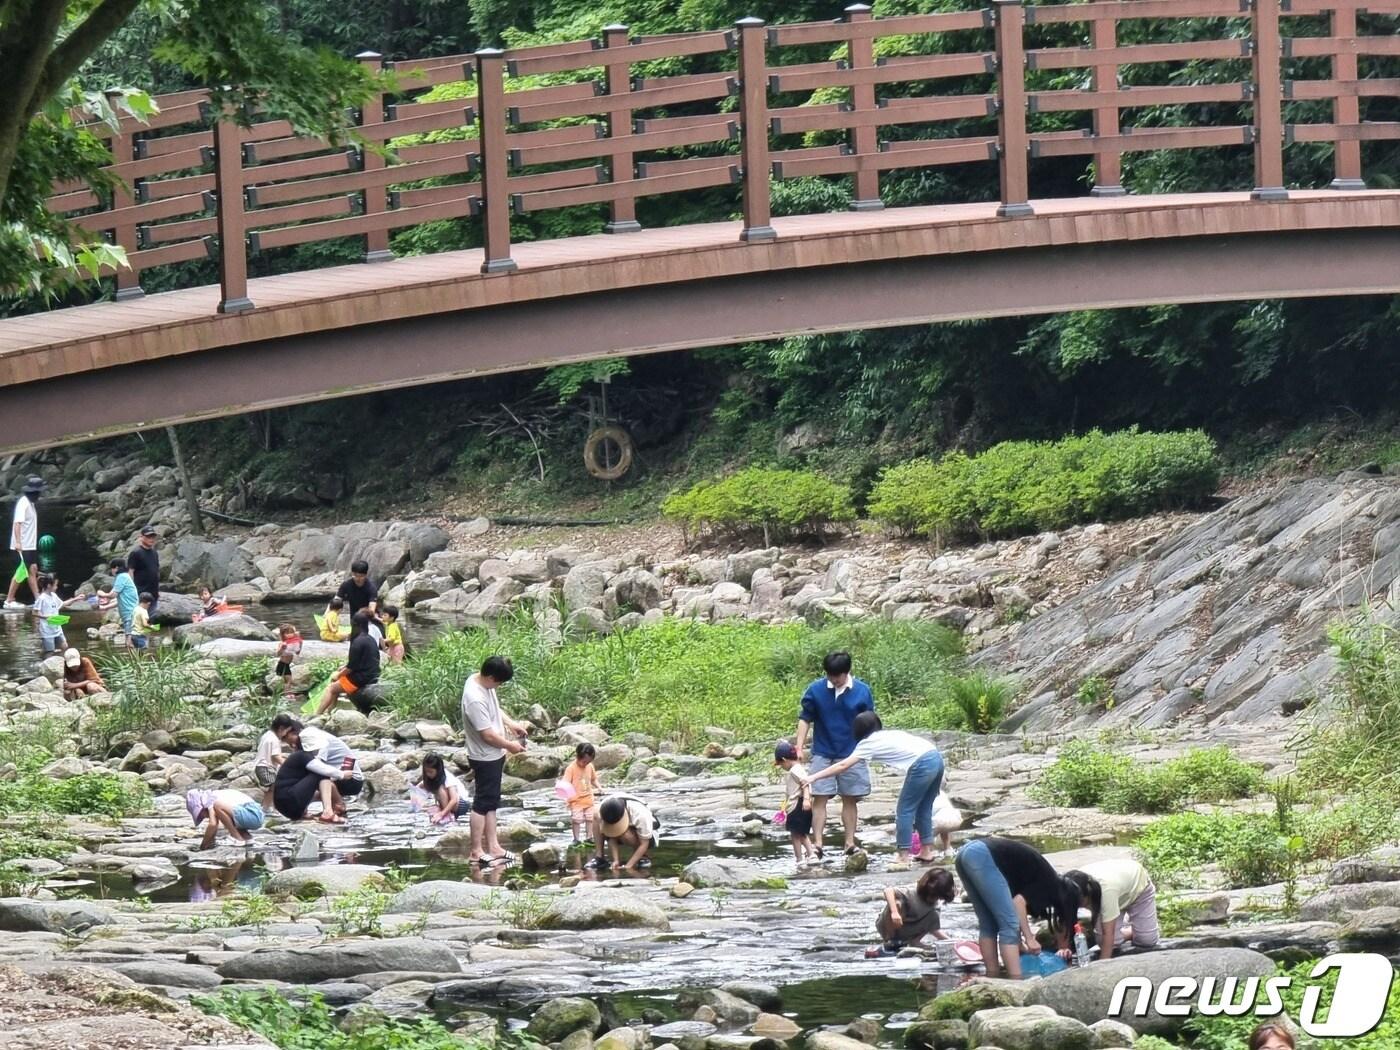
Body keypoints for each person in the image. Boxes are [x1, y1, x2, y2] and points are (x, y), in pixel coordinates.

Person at [801, 712, 944, 867]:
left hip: (922, 765)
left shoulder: (867, 743)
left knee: (905, 810)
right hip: (936, 757)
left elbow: (843, 765)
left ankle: (903, 856)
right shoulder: (889, 734)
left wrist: (813, 777)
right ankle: (926, 851)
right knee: (924, 808)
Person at [954, 836, 1081, 980]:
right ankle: (1016, 982)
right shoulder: (1050, 883)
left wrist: (1020, 943)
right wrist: (1029, 938)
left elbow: (1010, 903)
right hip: (983, 856)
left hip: (965, 853)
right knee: (1009, 925)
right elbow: (1018, 904)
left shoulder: (1037, 875)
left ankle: (992, 977)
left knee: (989, 924)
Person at [795, 651, 874, 859]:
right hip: (823, 751)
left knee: (850, 798)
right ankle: (818, 843)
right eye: (830, 675)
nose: (834, 680)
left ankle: (849, 842)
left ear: (847, 672)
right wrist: (799, 746)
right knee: (819, 798)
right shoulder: (816, 690)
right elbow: (805, 719)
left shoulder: (862, 691)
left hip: (852, 753)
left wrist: (869, 748)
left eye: (837, 676)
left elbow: (870, 722)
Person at [461, 655, 530, 866]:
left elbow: (494, 710)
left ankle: (494, 846)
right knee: (482, 803)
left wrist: (511, 724)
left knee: (492, 802)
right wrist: (510, 746)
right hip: (484, 756)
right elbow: (487, 735)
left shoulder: (481, 681)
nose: (499, 686)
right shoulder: (474, 697)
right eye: (499, 682)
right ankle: (475, 851)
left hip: (494, 754)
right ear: (491, 676)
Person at [270, 715, 363, 823]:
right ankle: (333, 808)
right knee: (319, 773)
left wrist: (341, 774)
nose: (288, 744)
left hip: (351, 779)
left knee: (320, 773)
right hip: (292, 803)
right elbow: (317, 769)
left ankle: (333, 808)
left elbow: (320, 762)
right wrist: (340, 774)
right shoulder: (304, 749)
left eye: (285, 738)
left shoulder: (307, 740)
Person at [1064, 858, 1161, 961]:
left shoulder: (1106, 891)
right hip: (1115, 893)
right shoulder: (1069, 887)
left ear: (1088, 893)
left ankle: (1133, 926)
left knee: (1147, 941)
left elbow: (1108, 933)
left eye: (1079, 903)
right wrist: (1064, 949)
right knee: (1106, 941)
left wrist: (1102, 965)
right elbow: (1061, 920)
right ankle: (1119, 919)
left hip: (1138, 889)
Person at [873, 867, 956, 956]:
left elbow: (934, 929)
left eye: (937, 897)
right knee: (897, 904)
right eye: (933, 895)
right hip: (890, 926)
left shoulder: (934, 905)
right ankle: (889, 941)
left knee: (934, 914)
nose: (933, 899)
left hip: (909, 928)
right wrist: (894, 913)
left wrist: (952, 942)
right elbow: (888, 891)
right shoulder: (911, 892)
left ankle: (915, 941)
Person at [313, 612, 380, 716]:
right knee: (335, 684)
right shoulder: (370, 639)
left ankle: (317, 714)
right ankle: (329, 712)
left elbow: (351, 668)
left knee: (331, 688)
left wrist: (339, 675)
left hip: (360, 679)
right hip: (373, 675)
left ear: (354, 625)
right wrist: (343, 667)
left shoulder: (357, 642)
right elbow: (359, 662)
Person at [774, 740, 815, 868]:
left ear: (785, 759)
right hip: (797, 804)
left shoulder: (795, 770)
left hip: (799, 804)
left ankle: (800, 858)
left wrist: (807, 799)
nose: (782, 767)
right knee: (801, 833)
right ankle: (810, 855)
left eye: (781, 764)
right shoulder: (798, 769)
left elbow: (805, 783)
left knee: (796, 834)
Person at [4, 476, 43, 610]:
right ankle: (9, 600)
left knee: (32, 570)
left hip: (30, 545)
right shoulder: (23, 503)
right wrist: (18, 542)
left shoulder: (30, 504)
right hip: (23, 545)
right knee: (21, 572)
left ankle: (38, 599)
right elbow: (17, 523)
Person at [598, 794, 659, 872]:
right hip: (628, 828)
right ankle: (599, 858)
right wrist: (616, 860)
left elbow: (644, 843)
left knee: (626, 835)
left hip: (650, 836)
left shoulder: (640, 814)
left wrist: (629, 865)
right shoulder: (604, 809)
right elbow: (611, 836)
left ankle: (643, 856)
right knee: (596, 818)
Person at [188, 787, 264, 848]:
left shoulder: (210, 799)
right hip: (255, 816)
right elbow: (215, 825)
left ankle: (237, 838)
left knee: (218, 805)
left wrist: (203, 846)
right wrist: (211, 841)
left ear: (201, 805)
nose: (204, 817)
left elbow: (213, 824)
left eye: (201, 814)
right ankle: (247, 837)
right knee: (229, 819)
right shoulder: (213, 798)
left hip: (252, 813)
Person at [561, 743, 602, 849]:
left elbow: (593, 779)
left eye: (588, 762)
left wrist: (599, 787)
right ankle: (576, 839)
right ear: (577, 757)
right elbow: (565, 784)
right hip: (576, 800)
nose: (585, 764)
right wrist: (566, 798)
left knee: (590, 818)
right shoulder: (571, 768)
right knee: (576, 819)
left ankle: (589, 837)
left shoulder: (590, 766)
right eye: (584, 761)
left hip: (588, 798)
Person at [418, 752, 470, 823]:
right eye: (426, 772)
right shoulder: (432, 777)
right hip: (452, 804)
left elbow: (454, 799)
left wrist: (441, 814)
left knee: (440, 789)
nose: (428, 774)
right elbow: (421, 785)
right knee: (432, 809)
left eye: (431, 772)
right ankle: (444, 811)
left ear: (438, 769)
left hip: (461, 804)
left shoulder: (448, 778)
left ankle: (447, 815)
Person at [99, 558, 139, 645]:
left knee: (129, 642)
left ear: (116, 568)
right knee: (132, 641)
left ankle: (136, 658)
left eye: (112, 568)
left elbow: (112, 595)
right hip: (130, 614)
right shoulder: (124, 576)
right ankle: (137, 657)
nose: (111, 571)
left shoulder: (122, 577)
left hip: (130, 614)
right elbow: (120, 600)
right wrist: (106, 607)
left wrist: (102, 593)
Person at [127, 525, 160, 616]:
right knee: (140, 618)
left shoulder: (154, 553)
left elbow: (156, 570)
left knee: (151, 618)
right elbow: (130, 571)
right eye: (148, 536)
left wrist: (157, 589)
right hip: (141, 592)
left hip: (153, 592)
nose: (151, 539)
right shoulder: (136, 553)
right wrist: (131, 590)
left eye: (153, 536)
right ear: (141, 537)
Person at [32, 573, 67, 654]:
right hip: (47, 631)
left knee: (65, 647)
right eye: (55, 585)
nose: (57, 587)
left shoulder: (54, 595)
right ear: (49, 585)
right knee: (50, 653)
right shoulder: (42, 598)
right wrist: (46, 617)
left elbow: (62, 604)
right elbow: (34, 612)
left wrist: (75, 599)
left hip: (57, 627)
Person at [253, 726, 285, 811]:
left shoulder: (267, 734)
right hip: (265, 767)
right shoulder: (274, 739)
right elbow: (275, 756)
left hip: (259, 766)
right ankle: (273, 808)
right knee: (275, 787)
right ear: (281, 729)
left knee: (272, 788)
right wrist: (288, 764)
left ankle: (265, 808)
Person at [273, 623, 302, 695]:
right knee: (288, 680)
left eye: (291, 633)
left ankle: (288, 692)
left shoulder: (294, 643)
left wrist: (300, 645)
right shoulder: (283, 643)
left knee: (288, 680)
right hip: (282, 665)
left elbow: (297, 652)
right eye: (287, 633)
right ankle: (287, 694)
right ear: (283, 635)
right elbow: (278, 654)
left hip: (287, 665)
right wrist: (282, 649)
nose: (290, 635)